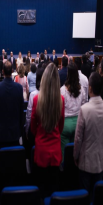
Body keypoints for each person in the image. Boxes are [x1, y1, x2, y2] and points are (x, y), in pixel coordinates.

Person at [74, 72, 103, 197]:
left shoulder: (84, 109)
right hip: (101, 159)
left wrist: (75, 156)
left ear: (89, 88)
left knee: (85, 195)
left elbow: (78, 139)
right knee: (97, 196)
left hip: (85, 162)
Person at [31, 63, 65, 195]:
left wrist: (40, 134)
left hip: (41, 151)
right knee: (53, 190)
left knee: (42, 190)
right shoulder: (61, 100)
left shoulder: (36, 100)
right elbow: (60, 126)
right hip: (55, 151)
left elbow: (33, 128)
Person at [0, 61, 24, 149]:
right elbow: (21, 112)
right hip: (15, 132)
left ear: (2, 72)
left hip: (1, 133)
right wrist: (20, 130)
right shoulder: (19, 88)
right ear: (12, 71)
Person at [60, 63, 86, 158]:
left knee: (64, 153)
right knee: (75, 152)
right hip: (78, 123)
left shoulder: (62, 90)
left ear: (68, 74)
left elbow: (59, 109)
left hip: (65, 124)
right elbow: (84, 106)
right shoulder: (82, 89)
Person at [26, 67, 45, 137]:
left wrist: (27, 130)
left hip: (36, 130)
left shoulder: (33, 95)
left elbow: (29, 116)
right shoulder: (52, 94)